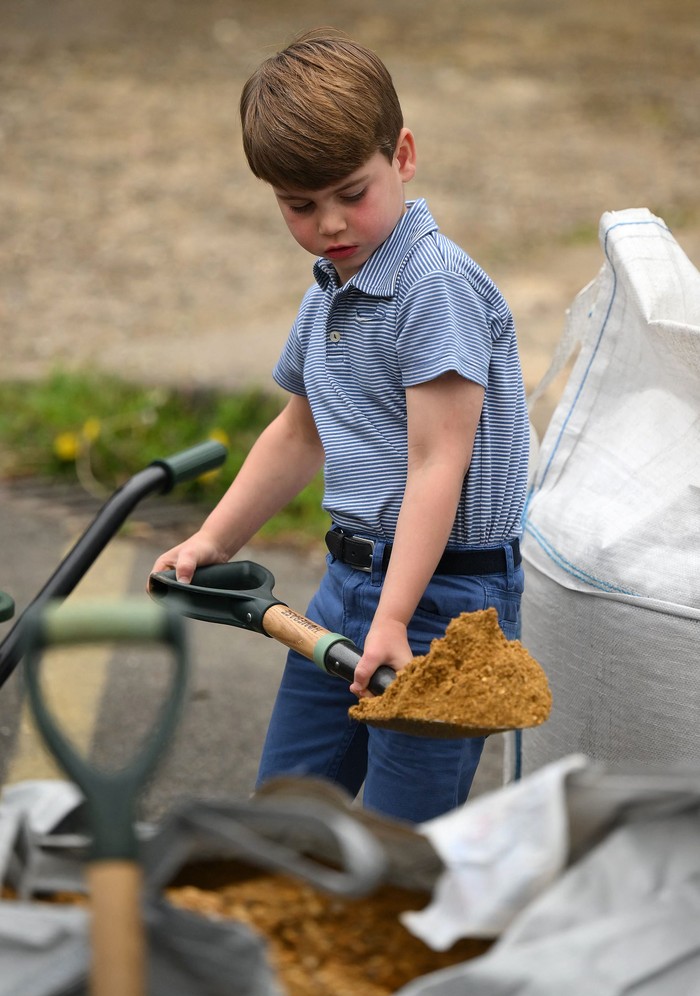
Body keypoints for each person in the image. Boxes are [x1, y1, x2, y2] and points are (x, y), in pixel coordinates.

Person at [150, 28, 529, 824]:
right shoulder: (332, 284)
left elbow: (437, 465)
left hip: (442, 602)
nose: (329, 224)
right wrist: (213, 542)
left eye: (351, 193)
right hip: (347, 586)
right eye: (300, 205)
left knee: (400, 843)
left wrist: (393, 619)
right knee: (286, 815)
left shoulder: (436, 290)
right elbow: (300, 432)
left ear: (403, 155)